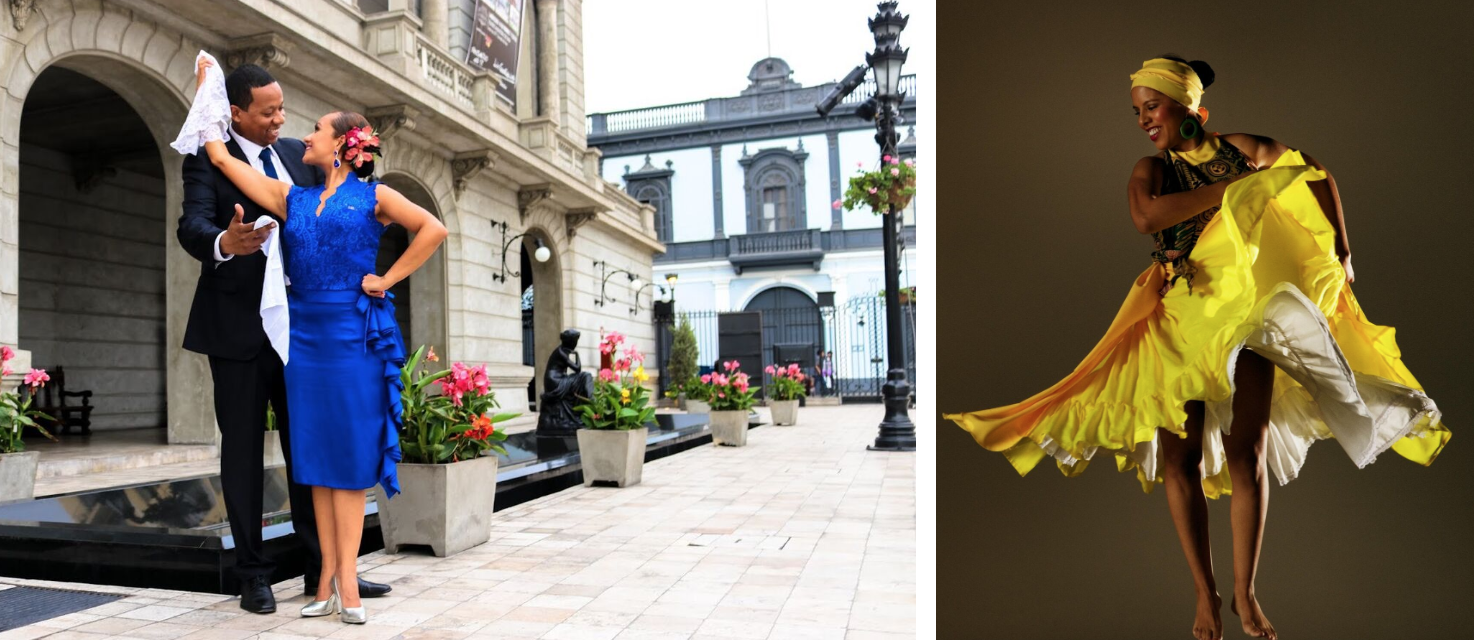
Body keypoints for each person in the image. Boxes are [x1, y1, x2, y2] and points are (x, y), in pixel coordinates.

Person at [944, 56, 1450, 640]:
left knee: (1248, 452)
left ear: (1186, 105)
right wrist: (1235, 190)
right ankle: (1204, 594)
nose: (1142, 120)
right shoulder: (1153, 169)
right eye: (1136, 111)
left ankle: (1245, 594)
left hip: (1245, 316)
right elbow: (1145, 216)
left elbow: (1313, 171)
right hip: (1179, 318)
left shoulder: (1242, 146)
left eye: (1151, 107)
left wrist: (1342, 248)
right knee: (1179, 458)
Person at [187, 56, 448, 624]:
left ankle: (336, 577)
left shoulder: (349, 187)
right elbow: (210, 179)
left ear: (338, 145)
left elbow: (429, 227)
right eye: (273, 111)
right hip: (276, 336)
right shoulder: (281, 190)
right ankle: (290, 579)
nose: (290, 123)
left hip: (342, 335)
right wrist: (208, 91)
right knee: (284, 458)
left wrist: (385, 279)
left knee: (336, 456)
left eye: (307, 123)